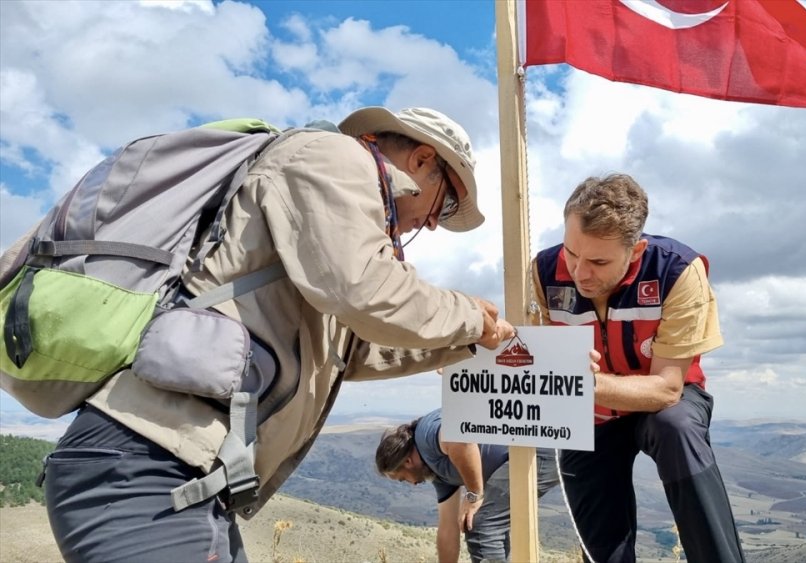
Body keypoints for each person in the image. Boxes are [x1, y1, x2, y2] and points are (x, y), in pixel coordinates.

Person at [17, 106, 517, 563]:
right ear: (424, 159)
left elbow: (355, 349)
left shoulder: (331, 228)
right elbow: (364, 289)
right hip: (146, 467)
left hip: (178, 472)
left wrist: (467, 341)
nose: (432, 225)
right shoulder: (334, 158)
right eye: (446, 206)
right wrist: (470, 316)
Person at [531, 174, 745, 563]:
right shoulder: (543, 272)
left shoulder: (678, 270)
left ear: (636, 249)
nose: (580, 273)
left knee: (675, 428)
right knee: (600, 549)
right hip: (590, 414)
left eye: (598, 261)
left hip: (664, 402)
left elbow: (667, 389)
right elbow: (528, 352)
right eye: (571, 252)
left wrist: (588, 384)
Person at [375, 409, 560, 563]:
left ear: (407, 461)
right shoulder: (437, 473)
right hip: (526, 453)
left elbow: (460, 440)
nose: (412, 484)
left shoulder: (425, 435)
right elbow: (448, 528)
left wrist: (474, 494)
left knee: (481, 523)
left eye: (402, 478)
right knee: (482, 523)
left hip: (536, 448)